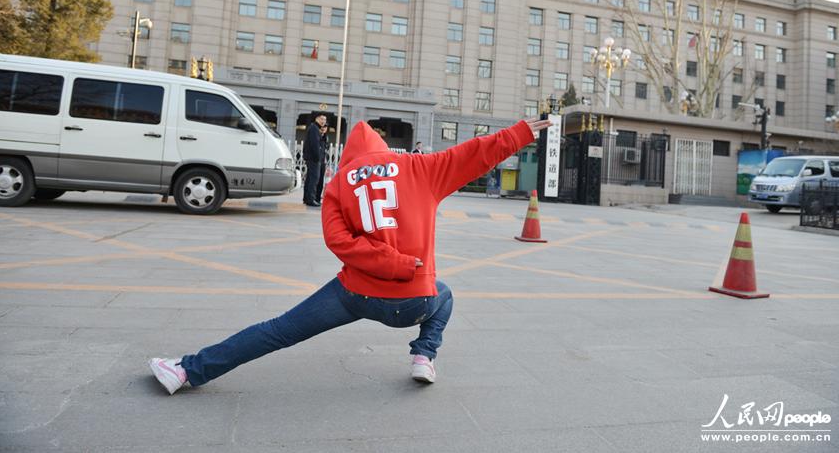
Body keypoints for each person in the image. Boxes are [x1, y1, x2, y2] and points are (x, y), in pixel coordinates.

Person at [148, 117, 551, 394]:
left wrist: (387, 264)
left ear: (349, 157)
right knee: (445, 295)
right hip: (416, 298)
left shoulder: (338, 184)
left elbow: (340, 243)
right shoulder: (418, 167)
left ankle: (185, 371)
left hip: (354, 293)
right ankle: (424, 356)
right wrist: (518, 133)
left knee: (277, 330)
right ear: (381, 149)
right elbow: (473, 152)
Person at [302, 114, 326, 207]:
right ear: (316, 119)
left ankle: (307, 198)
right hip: (313, 158)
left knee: (310, 178)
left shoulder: (316, 129)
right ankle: (311, 199)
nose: (323, 121)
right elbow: (315, 144)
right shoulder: (314, 129)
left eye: (324, 119)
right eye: (321, 119)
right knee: (314, 178)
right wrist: (317, 158)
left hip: (312, 158)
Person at [315, 124, 329, 203]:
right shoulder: (317, 136)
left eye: (325, 127)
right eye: (322, 127)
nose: (323, 129)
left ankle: (317, 198)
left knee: (321, 180)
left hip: (323, 161)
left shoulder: (326, 137)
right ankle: (314, 197)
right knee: (316, 180)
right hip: (317, 161)